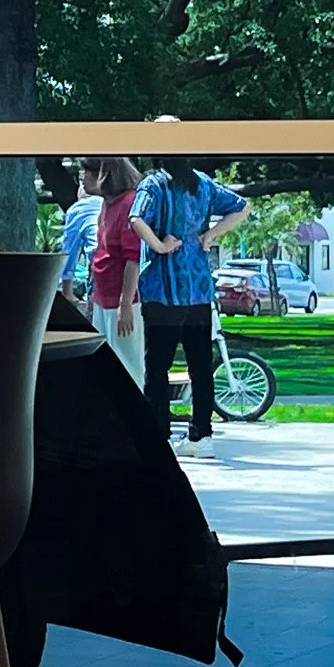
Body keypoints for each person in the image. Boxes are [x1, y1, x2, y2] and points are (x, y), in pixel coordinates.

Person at [129, 158, 249, 458]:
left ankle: (158, 435)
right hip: (198, 289)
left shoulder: (154, 183)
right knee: (201, 366)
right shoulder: (203, 184)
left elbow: (136, 218)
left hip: (163, 290)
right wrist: (210, 236)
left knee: (157, 367)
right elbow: (242, 206)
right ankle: (201, 435)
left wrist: (159, 245)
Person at [78, 157, 144, 386]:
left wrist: (125, 305)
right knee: (105, 365)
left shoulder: (128, 204)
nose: (83, 177)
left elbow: (132, 259)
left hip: (122, 301)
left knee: (127, 365)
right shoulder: (107, 204)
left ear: (104, 174)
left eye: (88, 172)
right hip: (104, 299)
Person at [60, 180, 103, 306]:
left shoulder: (78, 209)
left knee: (96, 315)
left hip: (100, 265)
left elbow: (69, 251)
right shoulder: (112, 204)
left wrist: (67, 292)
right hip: (126, 268)